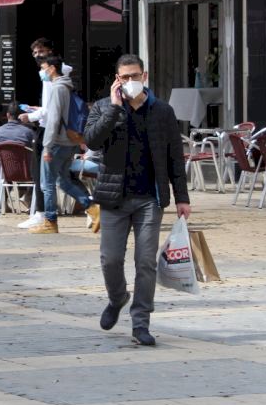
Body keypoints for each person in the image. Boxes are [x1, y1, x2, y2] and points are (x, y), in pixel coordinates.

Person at [83, 54, 191, 347]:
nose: (130, 81)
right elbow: (91, 141)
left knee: (145, 262)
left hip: (149, 199)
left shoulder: (162, 111)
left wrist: (182, 198)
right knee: (110, 259)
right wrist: (114, 109)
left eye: (135, 76)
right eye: (124, 77)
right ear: (117, 80)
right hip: (113, 199)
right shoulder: (103, 107)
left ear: (145, 76)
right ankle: (117, 298)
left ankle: (141, 322)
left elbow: (175, 157)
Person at [34, 56, 97, 233]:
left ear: (52, 68)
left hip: (57, 143)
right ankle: (92, 207)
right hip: (70, 141)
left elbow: (53, 119)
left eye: (44, 68)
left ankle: (50, 221)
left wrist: (47, 146)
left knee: (47, 184)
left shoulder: (57, 88)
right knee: (63, 180)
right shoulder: (68, 87)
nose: (42, 72)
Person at [17, 38, 57, 230]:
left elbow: (50, 109)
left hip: (47, 130)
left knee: (41, 174)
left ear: (50, 51)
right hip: (53, 128)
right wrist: (38, 110)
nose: (37, 56)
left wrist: (31, 116)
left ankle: (43, 214)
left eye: (40, 51)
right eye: (34, 52)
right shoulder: (59, 76)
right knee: (62, 176)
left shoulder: (50, 76)